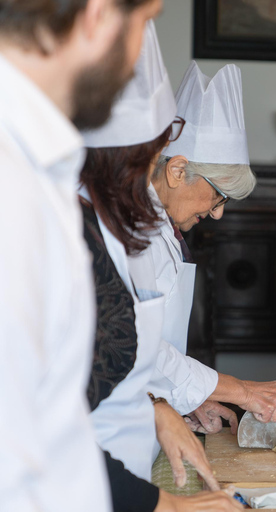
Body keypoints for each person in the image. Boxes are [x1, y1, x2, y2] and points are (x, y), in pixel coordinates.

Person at [0, 0, 160, 510]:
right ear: (97, 15)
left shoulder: (35, 166)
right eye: (145, 23)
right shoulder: (12, 187)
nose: (135, 62)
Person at [80, 20, 242, 511]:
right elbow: (44, 419)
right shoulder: (65, 233)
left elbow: (134, 360)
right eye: (158, 147)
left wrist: (164, 407)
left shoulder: (122, 221)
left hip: (123, 477)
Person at [128, 60, 276, 439]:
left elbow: (158, 358)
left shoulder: (163, 225)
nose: (218, 213)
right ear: (177, 170)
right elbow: (137, 347)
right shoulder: (133, 232)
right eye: (217, 195)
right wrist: (242, 391)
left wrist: (188, 399)